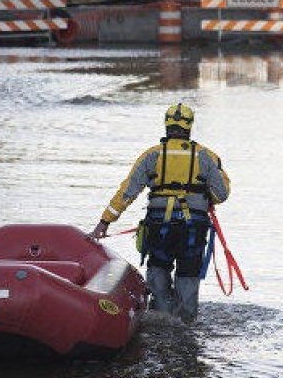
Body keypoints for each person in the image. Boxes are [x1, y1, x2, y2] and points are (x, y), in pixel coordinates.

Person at [90, 104, 230, 323]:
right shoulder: (206, 157)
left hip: (159, 229)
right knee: (188, 275)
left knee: (158, 272)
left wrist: (104, 222)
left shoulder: (151, 155)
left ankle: (161, 322)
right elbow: (222, 194)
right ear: (189, 126)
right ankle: (184, 326)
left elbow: (127, 192)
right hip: (192, 231)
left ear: (167, 124)